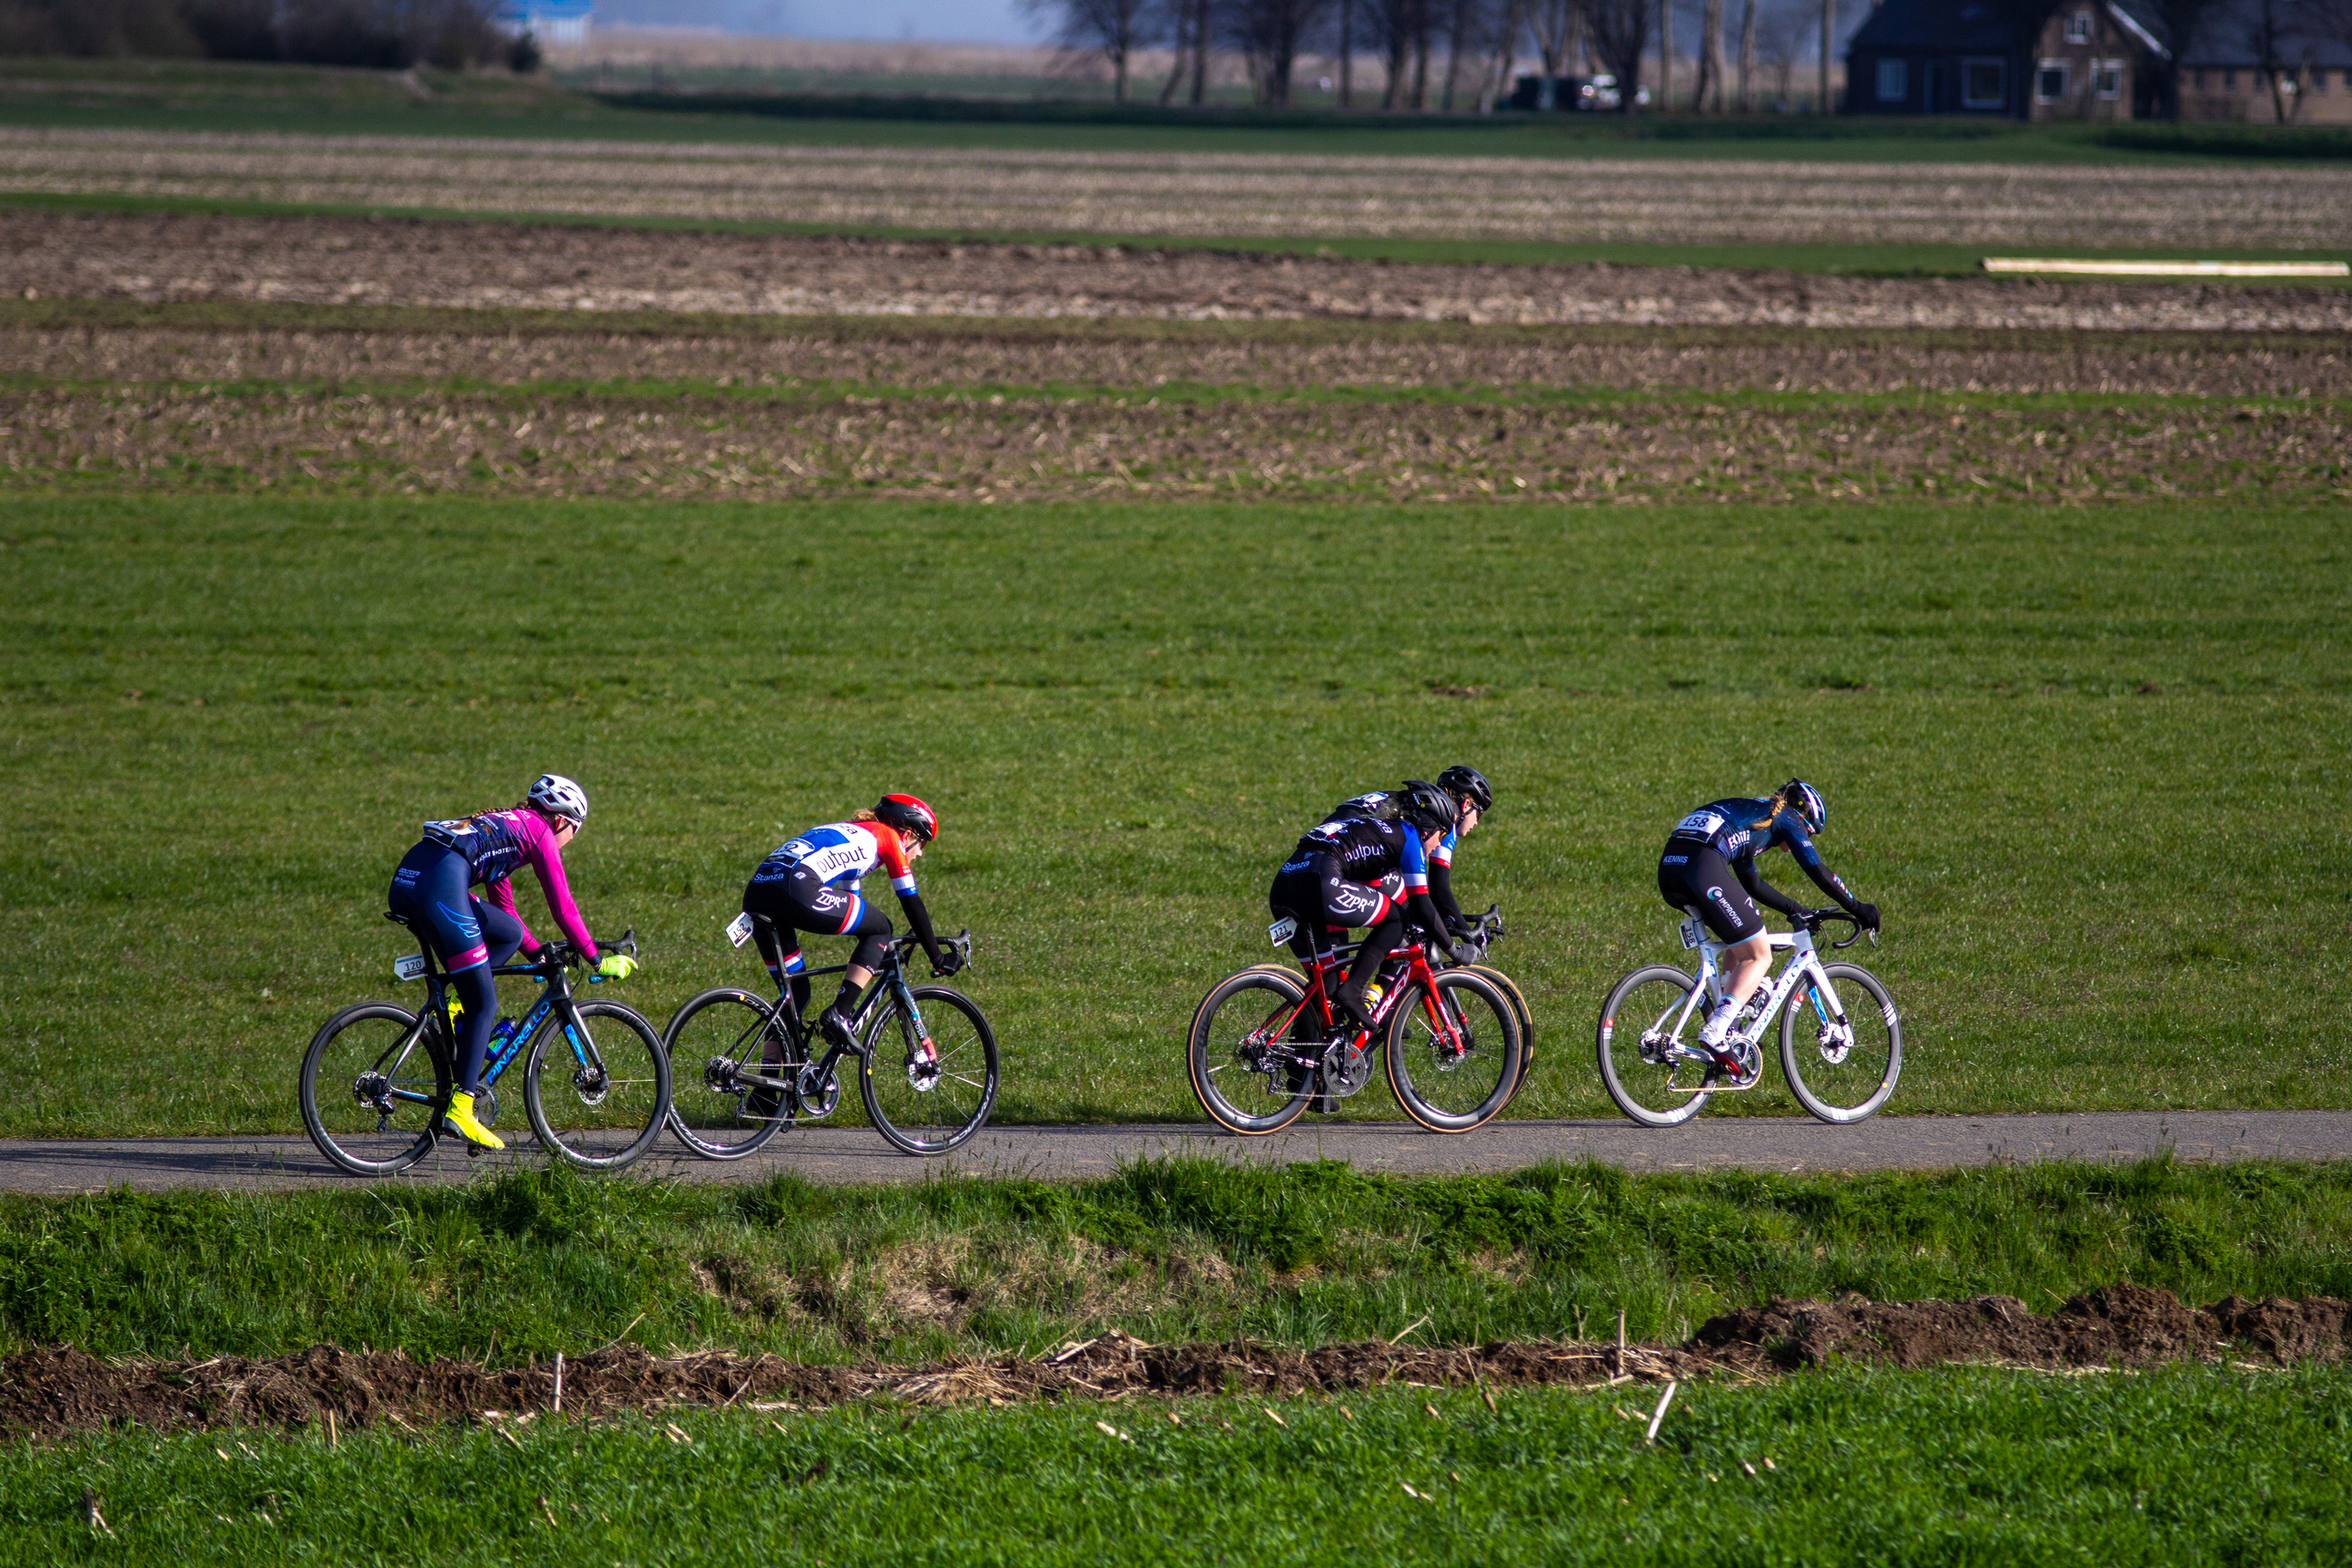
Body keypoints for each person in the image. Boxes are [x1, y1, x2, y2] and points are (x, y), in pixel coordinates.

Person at [387, 773, 635, 1151]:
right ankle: (462, 1108)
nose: (568, 841)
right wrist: (596, 959)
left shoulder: (509, 825)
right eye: (574, 831)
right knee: (484, 1003)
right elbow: (563, 908)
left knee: (507, 934)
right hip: (438, 882)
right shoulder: (539, 832)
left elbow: (505, 916)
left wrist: (539, 955)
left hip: (413, 877)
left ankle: (458, 1011)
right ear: (563, 820)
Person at [1654, 779, 1879, 1079]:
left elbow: (1752, 885)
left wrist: (1794, 909)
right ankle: (1717, 1027)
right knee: (1759, 956)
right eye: (1811, 831)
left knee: (1741, 937)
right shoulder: (1787, 817)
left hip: (1671, 869)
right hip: (1700, 864)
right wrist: (1859, 907)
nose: (1807, 836)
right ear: (1804, 815)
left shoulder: (1755, 819)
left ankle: (1730, 1014)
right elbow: (1818, 871)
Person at [741, 794, 960, 1054]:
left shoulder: (851, 833)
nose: (921, 852)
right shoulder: (888, 837)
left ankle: (764, 1091)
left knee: (795, 996)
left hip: (757, 892)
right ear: (908, 834)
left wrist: (879, 950)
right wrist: (936, 956)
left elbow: (852, 910)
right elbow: (910, 901)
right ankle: (839, 1015)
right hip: (796, 887)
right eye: (921, 842)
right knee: (881, 927)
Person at [1270, 779, 1479, 1039]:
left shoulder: (1377, 828)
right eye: (1441, 834)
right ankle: (1355, 991)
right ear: (1428, 828)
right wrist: (1455, 950)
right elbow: (1422, 905)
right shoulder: (1410, 837)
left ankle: (1303, 1074)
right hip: (1321, 882)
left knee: (1326, 994)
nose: (1439, 844)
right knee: (1396, 919)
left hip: (1284, 884)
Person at [1325, 765, 1493, 939]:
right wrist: (1470, 935)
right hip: (1347, 850)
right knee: (1413, 918)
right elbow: (1439, 890)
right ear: (1466, 805)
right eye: (1479, 814)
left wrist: (1457, 922)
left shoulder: (1420, 801)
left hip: (1329, 847)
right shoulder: (1442, 818)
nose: (1477, 823)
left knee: (1415, 918)